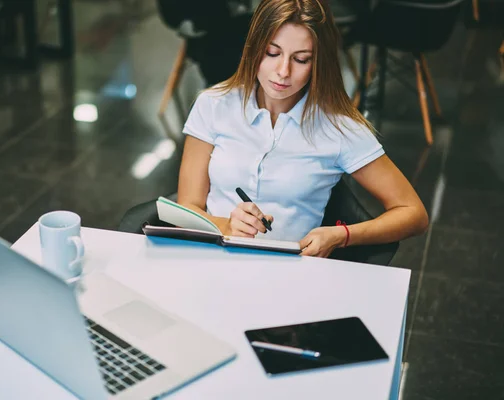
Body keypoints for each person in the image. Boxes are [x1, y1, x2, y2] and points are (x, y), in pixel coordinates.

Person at [176, 0, 428, 258]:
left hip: (290, 276)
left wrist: (342, 235)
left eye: (301, 59)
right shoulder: (213, 104)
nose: (283, 72)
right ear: (253, 49)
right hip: (211, 262)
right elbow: (188, 206)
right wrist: (225, 225)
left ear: (318, 63)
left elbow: (413, 213)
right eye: (272, 53)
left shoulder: (338, 128)